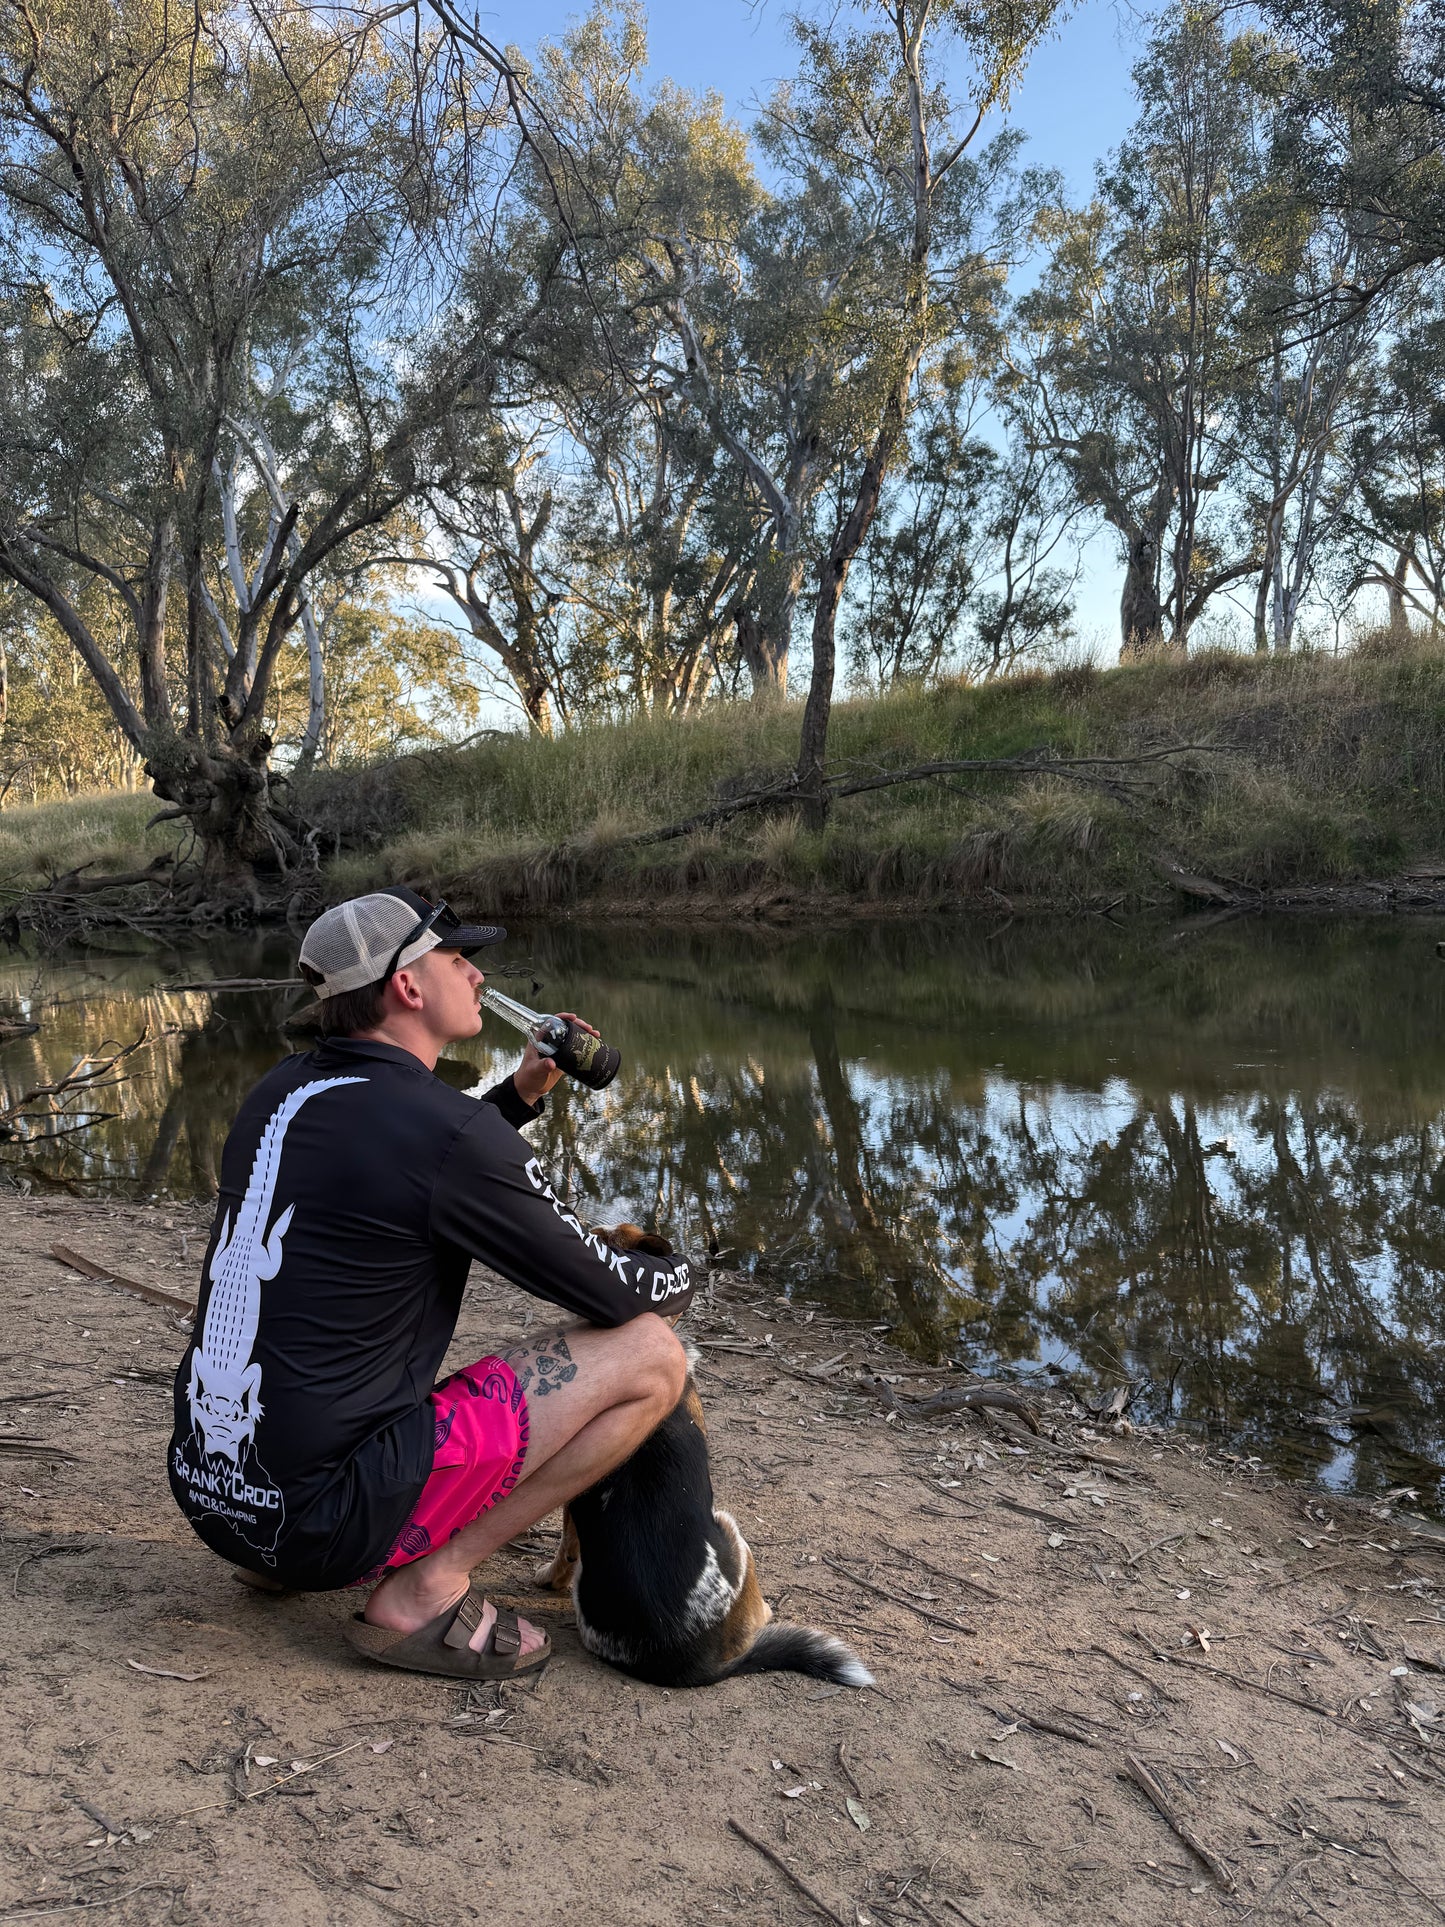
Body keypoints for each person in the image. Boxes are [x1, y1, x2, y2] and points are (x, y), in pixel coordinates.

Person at [168, 886, 692, 1679]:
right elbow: (612, 1293)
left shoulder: (281, 1091)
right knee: (652, 1353)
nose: (477, 977)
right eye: (457, 959)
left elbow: (403, 1158)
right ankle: (425, 1588)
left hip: (216, 1495)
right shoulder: (448, 1133)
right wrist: (684, 1268)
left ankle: (273, 1562)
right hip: (327, 1520)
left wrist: (513, 1101)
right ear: (409, 985)